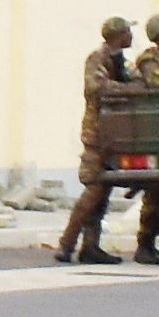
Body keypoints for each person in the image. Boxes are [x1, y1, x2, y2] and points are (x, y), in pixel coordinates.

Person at [53, 18, 136, 264]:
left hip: (113, 136)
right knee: (93, 192)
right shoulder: (98, 58)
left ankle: (91, 246)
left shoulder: (119, 60)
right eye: (128, 31)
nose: (131, 35)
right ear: (118, 35)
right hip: (97, 135)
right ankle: (66, 244)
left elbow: (136, 81)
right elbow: (96, 87)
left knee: (101, 194)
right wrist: (127, 90)